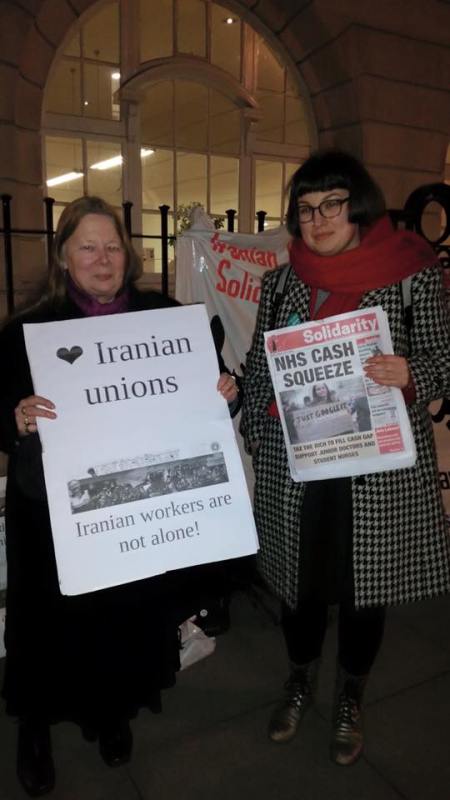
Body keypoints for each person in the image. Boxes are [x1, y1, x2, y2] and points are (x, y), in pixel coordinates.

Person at [0, 196, 238, 797]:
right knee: (49, 625)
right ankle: (35, 726)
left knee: (122, 619)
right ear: (63, 256)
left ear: (128, 255)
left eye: (112, 246)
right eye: (88, 247)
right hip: (52, 516)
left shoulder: (167, 319)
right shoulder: (26, 332)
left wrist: (224, 391)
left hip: (134, 514)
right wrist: (16, 418)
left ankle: (112, 714)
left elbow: (207, 396)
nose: (103, 259)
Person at [240, 150, 450, 766]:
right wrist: (257, 414)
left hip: (375, 469)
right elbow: (259, 367)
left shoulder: (411, 276)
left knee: (365, 587)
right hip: (298, 468)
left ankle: (350, 695)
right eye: (306, 209)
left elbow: (443, 359)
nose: (318, 220)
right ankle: (299, 678)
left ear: (357, 205)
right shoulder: (281, 284)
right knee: (299, 585)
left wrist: (411, 373)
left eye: (331, 204)